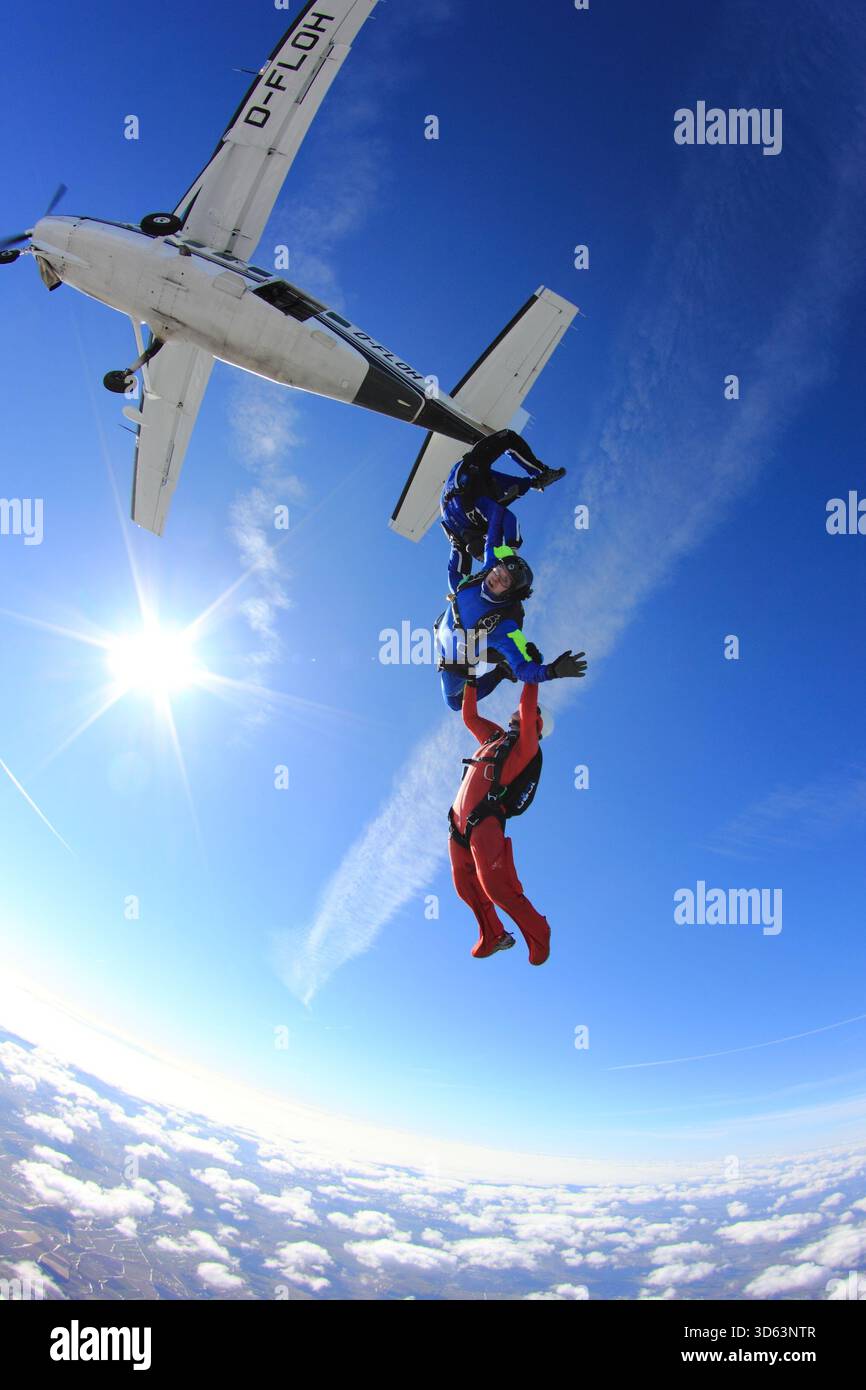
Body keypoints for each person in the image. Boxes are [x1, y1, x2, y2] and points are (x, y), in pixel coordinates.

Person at [448, 678, 567, 964]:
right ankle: (493, 935)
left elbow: (527, 710)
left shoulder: (527, 746)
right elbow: (470, 717)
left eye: (530, 711)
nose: (520, 708)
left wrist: (532, 677)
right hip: (457, 825)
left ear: (537, 724)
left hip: (485, 820)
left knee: (497, 887)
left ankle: (540, 931)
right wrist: (472, 680)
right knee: (465, 886)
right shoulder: (496, 737)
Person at [434, 546, 587, 710]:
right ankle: (502, 666)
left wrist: (551, 671)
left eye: (505, 580)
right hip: (443, 633)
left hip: (454, 665)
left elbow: (521, 669)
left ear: (510, 593)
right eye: (499, 570)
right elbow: (492, 538)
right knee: (456, 579)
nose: (496, 577)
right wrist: (457, 540)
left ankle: (501, 672)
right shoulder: (483, 574)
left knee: (455, 703)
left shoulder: (502, 626)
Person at [440, 429, 566, 594]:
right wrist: (462, 590)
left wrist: (507, 553)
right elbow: (455, 576)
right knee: (508, 492)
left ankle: (538, 475)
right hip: (473, 484)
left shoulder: (467, 532)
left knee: (508, 439)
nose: (498, 574)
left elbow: (507, 518)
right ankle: (535, 480)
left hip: (471, 476)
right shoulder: (465, 536)